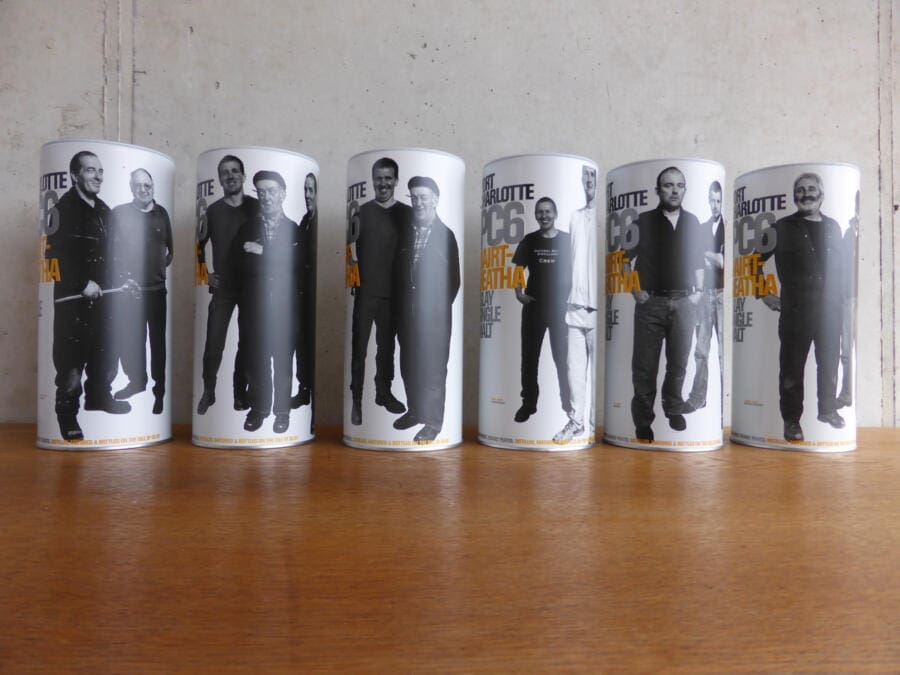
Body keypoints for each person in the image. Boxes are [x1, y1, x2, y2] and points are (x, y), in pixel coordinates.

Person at [46, 151, 128, 441]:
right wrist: (82, 283)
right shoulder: (62, 209)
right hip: (74, 304)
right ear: (75, 175)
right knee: (71, 362)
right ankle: (67, 414)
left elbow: (117, 253)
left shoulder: (105, 211)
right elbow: (52, 257)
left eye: (100, 171)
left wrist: (125, 280)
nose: (98, 176)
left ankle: (99, 397)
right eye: (91, 170)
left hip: (105, 300)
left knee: (106, 353)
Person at [759, 173, 845, 441]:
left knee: (829, 363)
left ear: (822, 195)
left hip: (830, 312)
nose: (806, 194)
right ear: (794, 196)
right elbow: (750, 261)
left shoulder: (834, 227)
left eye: (811, 189)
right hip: (796, 312)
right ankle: (792, 421)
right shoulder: (779, 228)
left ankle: (827, 410)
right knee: (792, 369)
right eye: (800, 190)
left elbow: (843, 269)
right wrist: (764, 293)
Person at [628, 166, 705, 443]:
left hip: (685, 302)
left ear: (684, 189)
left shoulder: (692, 222)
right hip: (651, 303)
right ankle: (643, 421)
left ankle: (673, 408)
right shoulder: (642, 221)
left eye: (679, 185)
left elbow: (698, 260)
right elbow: (623, 259)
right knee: (645, 366)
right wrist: (635, 290)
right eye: (668, 185)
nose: (674, 190)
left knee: (679, 363)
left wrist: (698, 293)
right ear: (658, 190)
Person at [224, 170, 302, 434]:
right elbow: (238, 265)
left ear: (283, 194)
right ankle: (259, 409)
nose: (266, 197)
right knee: (256, 359)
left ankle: (282, 412)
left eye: (271, 191)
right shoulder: (247, 228)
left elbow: (297, 264)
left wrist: (263, 252)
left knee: (282, 361)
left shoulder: (294, 230)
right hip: (253, 307)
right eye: (261, 192)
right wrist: (276, 261)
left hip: (285, 308)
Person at [392, 176, 460, 442]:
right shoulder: (406, 233)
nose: (418, 202)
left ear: (435, 200)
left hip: (434, 320)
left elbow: (454, 281)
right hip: (406, 317)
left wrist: (434, 311)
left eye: (423, 197)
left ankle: (432, 423)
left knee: (433, 370)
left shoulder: (447, 236)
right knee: (409, 366)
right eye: (414, 197)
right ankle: (415, 411)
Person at [348, 157, 410, 425]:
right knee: (359, 350)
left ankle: (383, 393)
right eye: (378, 178)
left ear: (396, 181)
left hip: (394, 295)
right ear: (372, 180)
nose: (383, 183)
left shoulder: (407, 214)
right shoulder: (360, 213)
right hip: (365, 293)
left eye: (388, 178)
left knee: (387, 350)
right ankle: (356, 401)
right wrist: (354, 282)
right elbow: (350, 254)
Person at [196, 155, 258, 414]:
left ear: (243, 176)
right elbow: (198, 245)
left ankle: (239, 394)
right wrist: (205, 274)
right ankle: (208, 391)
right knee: (213, 342)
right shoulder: (213, 211)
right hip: (223, 288)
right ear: (220, 179)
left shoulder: (257, 207)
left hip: (251, 287)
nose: (230, 175)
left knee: (247, 342)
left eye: (235, 171)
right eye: (225, 172)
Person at [110, 169, 173, 414]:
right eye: (138, 185)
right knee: (131, 342)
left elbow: (170, 251)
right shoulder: (119, 214)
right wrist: (127, 277)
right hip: (129, 293)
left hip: (156, 292)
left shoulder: (162, 214)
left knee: (157, 343)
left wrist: (155, 271)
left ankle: (159, 392)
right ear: (131, 187)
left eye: (147, 185)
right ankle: (137, 382)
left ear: (153, 186)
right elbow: (111, 253)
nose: (143, 189)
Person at [511, 197, 572, 423]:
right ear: (536, 215)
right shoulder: (530, 240)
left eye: (547, 211)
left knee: (563, 358)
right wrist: (519, 293)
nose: (544, 215)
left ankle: (568, 402)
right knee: (529, 359)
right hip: (534, 307)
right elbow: (518, 268)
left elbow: (578, 269)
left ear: (555, 214)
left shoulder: (567, 240)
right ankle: (528, 404)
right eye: (540, 212)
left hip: (561, 309)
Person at [554, 165, 598, 443]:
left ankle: (593, 425)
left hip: (598, 311)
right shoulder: (574, 217)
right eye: (586, 175)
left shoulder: (606, 219)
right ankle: (576, 422)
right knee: (574, 373)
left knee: (597, 376)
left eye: (593, 175)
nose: (589, 180)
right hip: (575, 307)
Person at [684, 180, 725, 415]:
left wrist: (707, 254)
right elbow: (695, 261)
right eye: (712, 200)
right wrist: (712, 257)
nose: (715, 205)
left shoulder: (727, 227)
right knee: (700, 351)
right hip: (705, 294)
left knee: (722, 353)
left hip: (722, 295)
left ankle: (724, 406)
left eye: (719, 201)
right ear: (708, 201)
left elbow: (722, 262)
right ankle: (698, 398)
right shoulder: (702, 227)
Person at [291, 172, 317, 411]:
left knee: (310, 343)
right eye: (305, 190)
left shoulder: (318, 224)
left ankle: (310, 391)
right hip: (301, 294)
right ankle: (303, 390)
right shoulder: (305, 220)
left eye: (312, 190)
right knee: (301, 343)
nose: (308, 195)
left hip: (315, 296)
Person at [837, 191, 859, 409]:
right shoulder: (848, 234)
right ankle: (846, 394)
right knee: (846, 350)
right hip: (848, 299)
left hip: (865, 302)